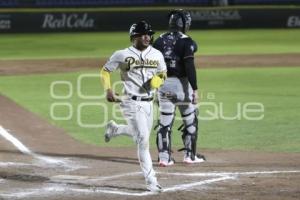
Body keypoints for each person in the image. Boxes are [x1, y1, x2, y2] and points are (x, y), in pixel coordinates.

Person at [100, 20, 167, 192]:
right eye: (143, 34)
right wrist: (108, 89)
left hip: (149, 103)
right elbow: (105, 70)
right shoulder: (122, 54)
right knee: (143, 140)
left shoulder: (157, 54)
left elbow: (163, 73)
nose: (147, 37)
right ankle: (151, 181)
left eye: (149, 34)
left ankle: (114, 129)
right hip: (129, 101)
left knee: (139, 134)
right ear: (134, 37)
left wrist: (157, 81)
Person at [153, 9, 205, 167]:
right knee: (190, 120)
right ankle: (190, 156)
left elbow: (153, 67)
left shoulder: (158, 41)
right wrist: (195, 89)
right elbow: (189, 66)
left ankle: (164, 158)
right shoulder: (187, 41)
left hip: (162, 85)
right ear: (184, 24)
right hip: (181, 85)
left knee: (165, 123)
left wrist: (154, 88)